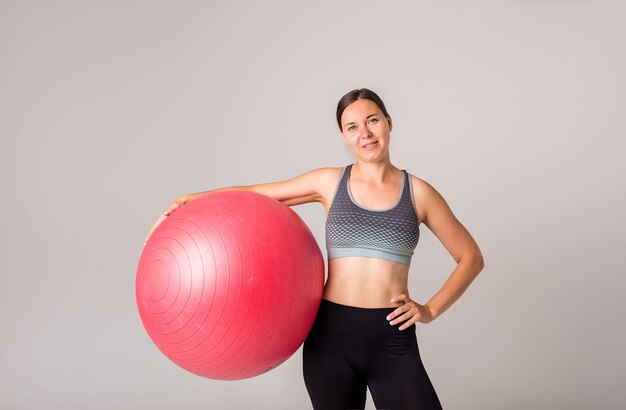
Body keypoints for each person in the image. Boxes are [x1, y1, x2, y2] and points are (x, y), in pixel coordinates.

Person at [145, 88, 484, 409]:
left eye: (372, 120)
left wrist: (429, 310)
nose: (364, 133)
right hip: (331, 337)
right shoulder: (329, 182)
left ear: (389, 122)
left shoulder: (419, 193)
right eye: (352, 127)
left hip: (391, 337)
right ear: (343, 136)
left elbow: (470, 257)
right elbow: (255, 194)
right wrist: (192, 200)